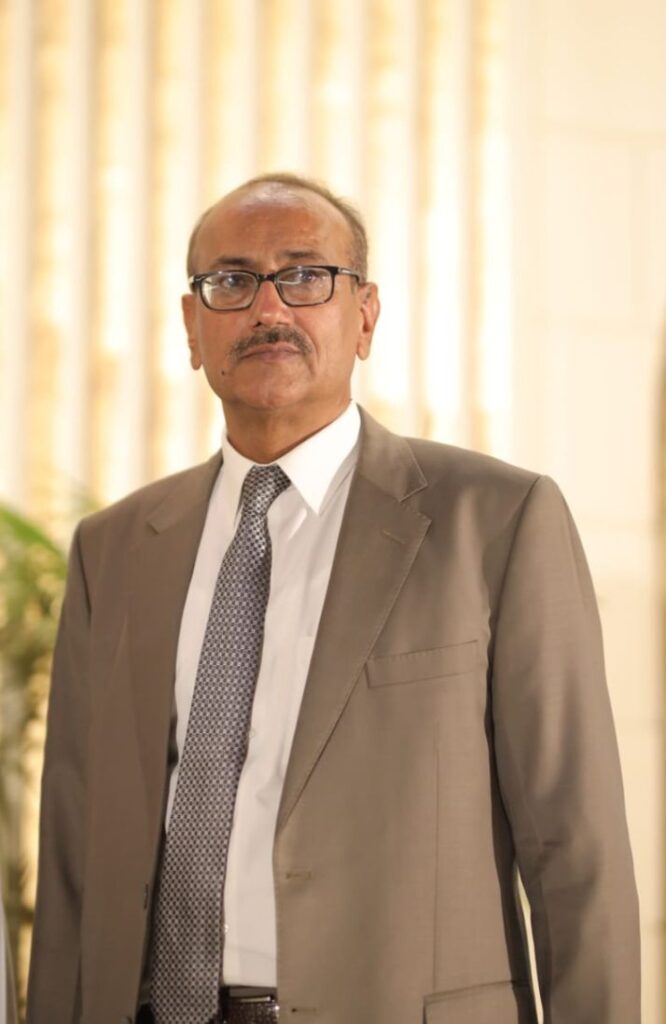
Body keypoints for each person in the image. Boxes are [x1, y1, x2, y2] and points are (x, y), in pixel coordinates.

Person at [26, 173, 640, 1024]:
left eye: (306, 276)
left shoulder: (495, 521)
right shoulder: (116, 548)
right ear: (193, 327)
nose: (267, 307)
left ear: (366, 317)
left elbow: (575, 847)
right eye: (232, 281)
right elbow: (72, 852)